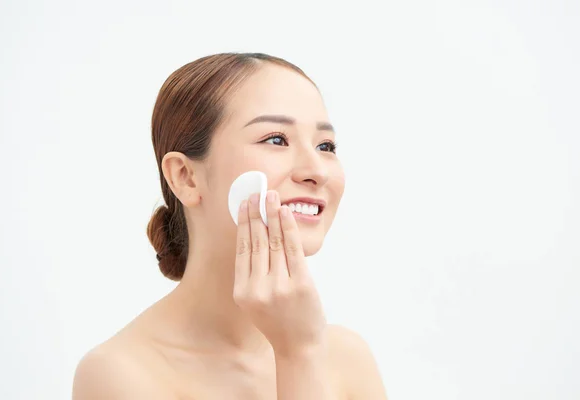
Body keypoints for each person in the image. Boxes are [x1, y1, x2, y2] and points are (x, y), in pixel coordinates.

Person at [72, 52, 387, 399]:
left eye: (325, 145)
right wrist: (296, 355)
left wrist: (301, 352)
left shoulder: (347, 359)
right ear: (186, 177)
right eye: (276, 139)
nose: (318, 171)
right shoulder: (119, 374)